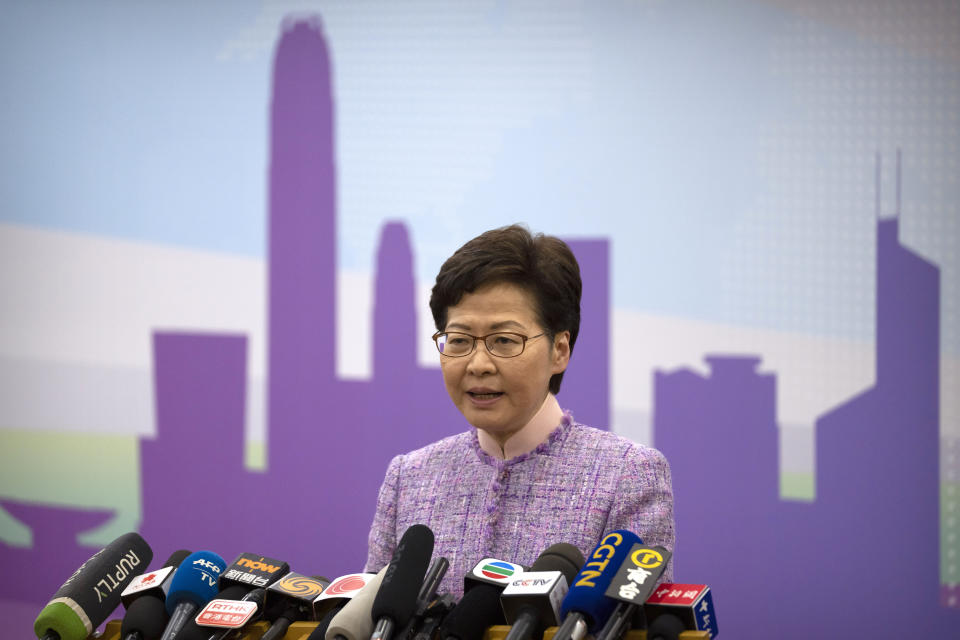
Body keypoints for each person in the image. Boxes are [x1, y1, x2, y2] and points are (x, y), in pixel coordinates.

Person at [364, 224, 674, 598]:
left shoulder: (626, 475)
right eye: (459, 340)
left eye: (504, 341)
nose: (478, 364)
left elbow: (632, 623)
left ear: (559, 350)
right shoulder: (409, 478)